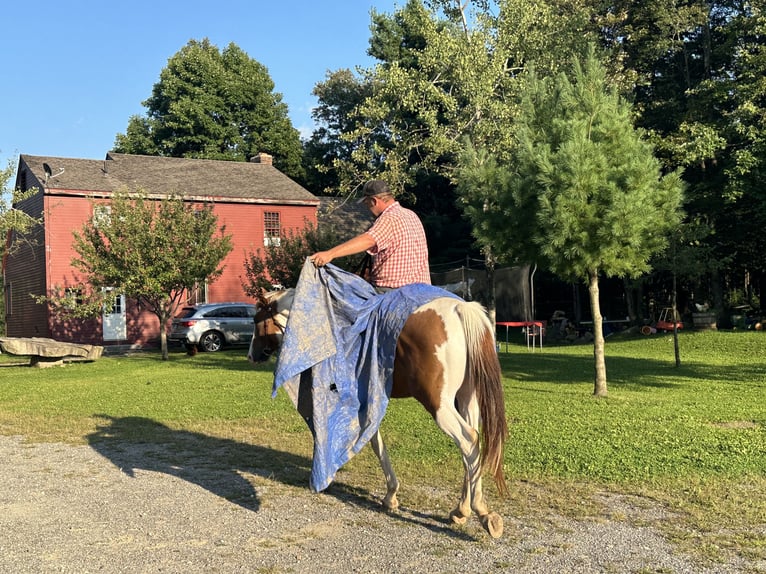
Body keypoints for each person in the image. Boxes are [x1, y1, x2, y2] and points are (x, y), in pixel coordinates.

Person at [310, 179, 431, 292]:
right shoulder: (411, 214)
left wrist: (330, 254)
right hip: (422, 289)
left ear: (374, 201)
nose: (368, 208)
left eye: (367, 204)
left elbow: (369, 239)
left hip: (394, 290)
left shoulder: (389, 218)